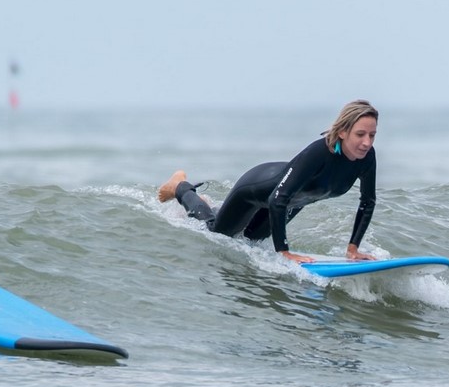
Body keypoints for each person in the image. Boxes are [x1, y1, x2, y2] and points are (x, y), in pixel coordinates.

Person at [158, 99, 379, 264]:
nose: (367, 142)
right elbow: (277, 198)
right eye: (360, 134)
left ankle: (215, 206)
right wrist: (284, 253)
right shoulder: (319, 152)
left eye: (372, 135)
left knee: (251, 239)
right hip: (256, 190)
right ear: (342, 131)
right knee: (217, 233)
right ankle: (181, 187)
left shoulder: (366, 158)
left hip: (289, 200)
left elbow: (367, 202)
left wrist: (353, 249)